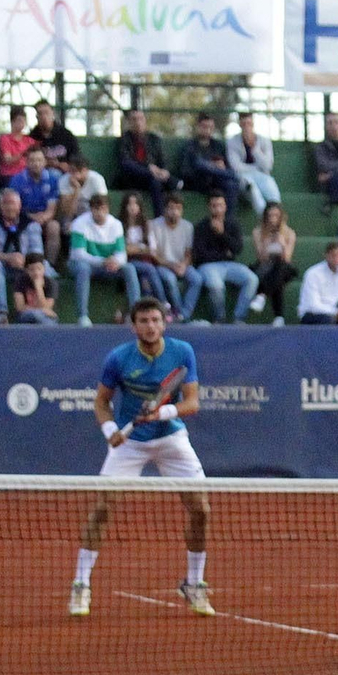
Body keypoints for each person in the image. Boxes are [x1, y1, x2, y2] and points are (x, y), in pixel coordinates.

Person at [70, 297, 212, 617]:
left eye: (155, 320)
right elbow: (101, 403)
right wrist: (111, 433)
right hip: (129, 443)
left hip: (171, 438)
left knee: (201, 510)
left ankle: (194, 583)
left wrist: (163, 412)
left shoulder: (182, 351)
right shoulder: (118, 359)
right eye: (144, 321)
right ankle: (81, 584)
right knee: (103, 507)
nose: (150, 326)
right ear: (134, 326)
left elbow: (192, 403)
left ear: (164, 323)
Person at [69, 193, 140, 326]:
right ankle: (83, 316)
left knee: (129, 268)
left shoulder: (116, 225)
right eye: (96, 209)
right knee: (83, 268)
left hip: (107, 266)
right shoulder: (79, 224)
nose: (100, 213)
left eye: (103, 209)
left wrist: (116, 262)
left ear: (107, 209)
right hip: (83, 264)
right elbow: (78, 254)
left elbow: (122, 255)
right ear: (91, 210)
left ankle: (135, 314)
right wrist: (103, 261)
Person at [0, 188, 46, 324]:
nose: (9, 207)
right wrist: (8, 257)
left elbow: (38, 251)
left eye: (12, 203)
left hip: (25, 264)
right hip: (1, 264)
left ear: (19, 205)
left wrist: (24, 260)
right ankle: (0, 313)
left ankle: (44, 311)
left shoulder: (30, 224)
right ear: (0, 205)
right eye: (6, 203)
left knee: (45, 269)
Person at [191, 192, 258, 323]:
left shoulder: (232, 225)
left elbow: (237, 248)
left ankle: (239, 318)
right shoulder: (201, 227)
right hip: (208, 266)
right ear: (209, 207)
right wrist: (224, 254)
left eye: (220, 205)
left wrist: (222, 234)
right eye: (214, 205)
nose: (217, 209)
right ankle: (219, 318)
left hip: (229, 265)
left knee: (252, 279)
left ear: (225, 206)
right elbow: (200, 254)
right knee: (216, 285)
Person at [118, 192, 174, 317]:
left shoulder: (146, 225)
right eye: (129, 204)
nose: (132, 207)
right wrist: (141, 248)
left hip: (144, 261)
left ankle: (149, 312)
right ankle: (164, 303)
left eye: (135, 204)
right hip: (126, 261)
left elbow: (152, 249)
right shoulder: (119, 225)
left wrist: (136, 248)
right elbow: (123, 250)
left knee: (146, 281)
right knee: (149, 269)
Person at [149, 194, 202, 322]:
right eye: (171, 208)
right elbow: (154, 255)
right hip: (163, 265)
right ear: (165, 209)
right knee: (170, 280)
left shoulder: (188, 227)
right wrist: (172, 265)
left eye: (178, 208)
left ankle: (184, 315)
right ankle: (178, 312)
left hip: (182, 264)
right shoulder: (154, 225)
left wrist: (183, 265)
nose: (175, 212)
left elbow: (189, 252)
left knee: (197, 279)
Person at [115, 109, 177, 216]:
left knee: (157, 183)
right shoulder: (124, 140)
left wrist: (164, 171)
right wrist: (149, 169)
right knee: (156, 179)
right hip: (131, 179)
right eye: (134, 119)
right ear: (129, 122)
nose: (138, 123)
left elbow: (163, 161)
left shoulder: (154, 139)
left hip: (152, 179)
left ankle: (161, 217)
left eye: (141, 119)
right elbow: (125, 163)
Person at [9, 147, 63, 262]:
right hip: (23, 217)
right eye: (32, 160)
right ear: (27, 162)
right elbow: (14, 208)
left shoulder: (52, 180)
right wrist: (32, 217)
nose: (36, 163)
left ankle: (49, 265)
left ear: (44, 162)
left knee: (54, 227)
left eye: (39, 160)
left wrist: (43, 217)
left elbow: (52, 208)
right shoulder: (17, 180)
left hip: (45, 216)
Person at [248, 202, 296, 325]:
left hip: (282, 265)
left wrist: (282, 243)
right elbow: (261, 258)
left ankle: (262, 295)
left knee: (280, 267)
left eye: (276, 215)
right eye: (270, 215)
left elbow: (287, 259)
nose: (273, 219)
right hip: (265, 265)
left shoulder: (289, 233)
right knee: (277, 278)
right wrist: (266, 242)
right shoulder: (258, 232)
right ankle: (279, 317)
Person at [177, 113, 239, 202]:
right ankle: (233, 175)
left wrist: (221, 167)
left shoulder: (218, 146)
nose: (207, 130)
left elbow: (227, 166)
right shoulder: (189, 146)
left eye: (211, 127)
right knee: (200, 164)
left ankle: (229, 216)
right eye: (204, 126)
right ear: (198, 127)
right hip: (197, 181)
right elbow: (185, 171)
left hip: (215, 181)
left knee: (231, 185)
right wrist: (212, 166)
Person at [230, 111, 280, 217]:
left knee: (272, 189)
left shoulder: (264, 141)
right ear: (240, 125)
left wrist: (255, 149)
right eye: (244, 124)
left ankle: (277, 218)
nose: (247, 127)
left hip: (263, 175)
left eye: (249, 124)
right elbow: (236, 167)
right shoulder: (232, 142)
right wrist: (257, 168)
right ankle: (264, 218)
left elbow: (268, 166)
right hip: (244, 177)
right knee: (252, 189)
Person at [297, 241, 338, 324]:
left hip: (336, 313)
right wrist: (337, 313)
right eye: (333, 255)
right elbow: (313, 305)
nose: (336, 259)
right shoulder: (313, 274)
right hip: (312, 314)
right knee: (328, 320)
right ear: (326, 256)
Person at [29, 100, 81, 174]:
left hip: (65, 174)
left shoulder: (66, 135)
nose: (44, 116)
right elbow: (29, 160)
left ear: (52, 114)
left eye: (46, 112)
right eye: (40, 113)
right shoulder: (33, 136)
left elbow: (76, 156)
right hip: (40, 174)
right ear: (36, 116)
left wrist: (68, 165)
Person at [57, 155, 108, 228]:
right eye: (71, 170)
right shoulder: (63, 180)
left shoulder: (97, 179)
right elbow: (68, 213)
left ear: (86, 170)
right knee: (68, 226)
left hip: (92, 216)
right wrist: (77, 190)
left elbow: (102, 205)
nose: (72, 174)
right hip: (73, 218)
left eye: (76, 170)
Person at [14, 253, 58, 325]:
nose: (36, 273)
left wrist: (39, 287)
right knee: (35, 315)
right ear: (26, 270)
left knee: (48, 322)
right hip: (26, 316)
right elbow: (20, 307)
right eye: (32, 269)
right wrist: (40, 310)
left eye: (39, 269)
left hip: (45, 317)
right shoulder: (20, 281)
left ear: (44, 269)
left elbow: (47, 307)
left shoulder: (51, 283)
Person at [0, 106, 37, 185]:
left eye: (24, 120)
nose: (22, 123)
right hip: (10, 174)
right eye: (19, 120)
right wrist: (23, 153)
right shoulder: (5, 139)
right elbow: (8, 160)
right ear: (12, 122)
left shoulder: (29, 140)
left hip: (27, 174)